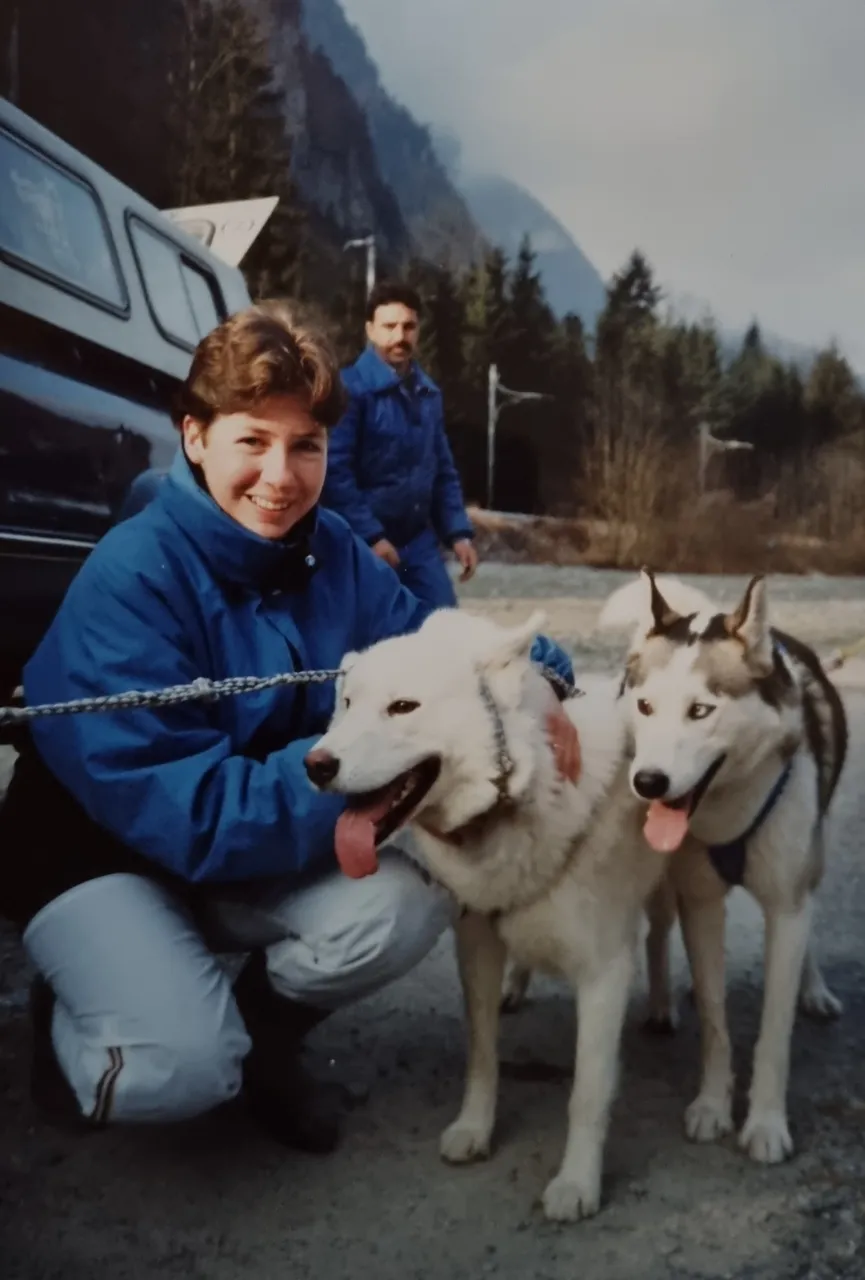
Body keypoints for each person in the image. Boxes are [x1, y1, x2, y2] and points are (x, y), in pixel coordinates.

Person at [0, 299, 577, 1154]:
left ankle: (263, 1042)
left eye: (305, 445)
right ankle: (83, 1022)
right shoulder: (131, 576)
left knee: (411, 898)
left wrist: (540, 678)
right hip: (103, 856)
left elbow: (436, 643)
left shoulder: (333, 549)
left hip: (237, 847)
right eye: (251, 441)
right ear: (194, 437)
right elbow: (190, 813)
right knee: (187, 1063)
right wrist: (376, 774)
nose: (280, 475)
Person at [322, 280, 478, 609]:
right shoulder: (350, 390)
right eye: (389, 326)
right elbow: (334, 473)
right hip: (359, 541)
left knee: (444, 624)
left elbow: (443, 470)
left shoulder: (428, 394)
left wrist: (459, 534)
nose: (399, 336)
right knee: (371, 635)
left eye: (408, 326)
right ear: (370, 329)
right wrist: (372, 537)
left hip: (416, 542)